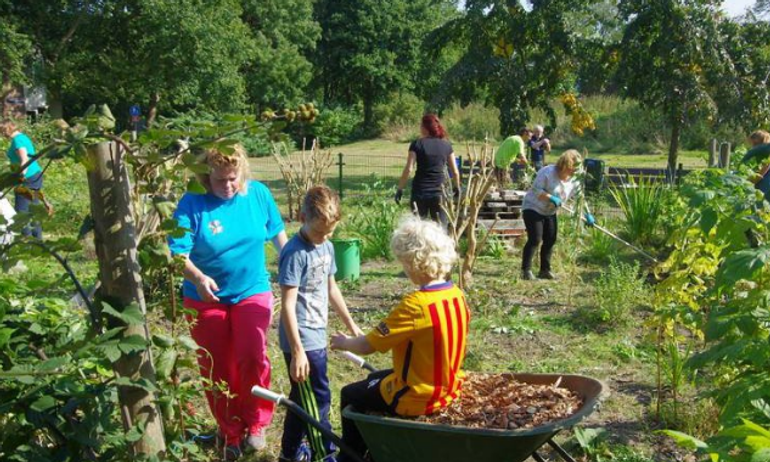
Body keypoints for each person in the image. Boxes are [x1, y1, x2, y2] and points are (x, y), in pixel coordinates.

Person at [168, 145, 287, 460]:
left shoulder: (258, 195)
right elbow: (178, 253)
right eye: (220, 180)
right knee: (217, 366)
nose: (228, 186)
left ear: (242, 173)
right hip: (205, 297)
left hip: (251, 289)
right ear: (206, 176)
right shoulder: (192, 203)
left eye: (233, 178)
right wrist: (198, 278)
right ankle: (230, 430)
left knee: (252, 355)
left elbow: (280, 239)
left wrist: (294, 271)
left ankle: (257, 422)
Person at [331, 215, 469, 462]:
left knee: (350, 393)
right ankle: (374, 445)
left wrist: (343, 343)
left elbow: (367, 345)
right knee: (374, 377)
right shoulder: (456, 295)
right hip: (448, 386)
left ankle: (350, 457)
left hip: (418, 395)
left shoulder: (415, 305)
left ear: (412, 263)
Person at [278, 185, 363, 462]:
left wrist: (350, 324)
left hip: (316, 330)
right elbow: (288, 305)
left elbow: (331, 287)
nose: (324, 237)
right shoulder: (294, 253)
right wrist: (298, 350)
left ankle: (289, 453)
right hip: (301, 338)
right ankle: (324, 454)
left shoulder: (325, 246)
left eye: (330, 231)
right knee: (318, 399)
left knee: (302, 399)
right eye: (319, 231)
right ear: (302, 218)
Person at [520, 149, 592, 280]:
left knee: (550, 239)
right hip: (533, 207)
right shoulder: (547, 172)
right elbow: (536, 190)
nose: (573, 172)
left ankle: (545, 270)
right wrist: (551, 197)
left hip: (550, 211)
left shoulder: (574, 178)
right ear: (565, 165)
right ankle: (526, 270)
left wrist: (587, 214)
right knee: (535, 239)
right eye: (572, 169)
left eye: (576, 170)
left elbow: (580, 198)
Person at [395, 114, 461, 222]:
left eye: (421, 125)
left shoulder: (416, 144)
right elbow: (455, 171)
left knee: (417, 230)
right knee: (441, 230)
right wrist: (457, 187)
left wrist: (400, 189)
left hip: (420, 193)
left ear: (425, 128)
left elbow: (408, 169)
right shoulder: (447, 145)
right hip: (440, 193)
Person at [0, 119, 44, 238]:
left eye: (2, 131)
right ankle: (37, 239)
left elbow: (25, 160)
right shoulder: (23, 137)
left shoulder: (17, 140)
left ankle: (27, 240)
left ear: (7, 129)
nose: (2, 134)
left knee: (21, 211)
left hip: (28, 177)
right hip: (35, 175)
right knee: (33, 208)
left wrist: (21, 176)